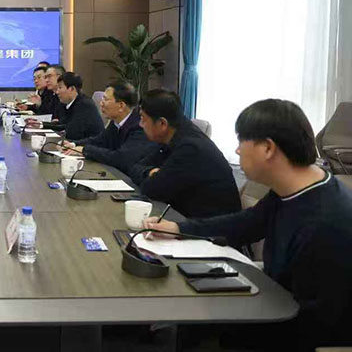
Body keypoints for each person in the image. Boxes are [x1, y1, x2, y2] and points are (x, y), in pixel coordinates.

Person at [145, 99, 352, 351]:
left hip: (296, 331)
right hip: (276, 305)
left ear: (268, 148)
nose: (237, 150)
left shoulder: (324, 223)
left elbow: (314, 325)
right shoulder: (294, 189)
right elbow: (246, 223)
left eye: (242, 141)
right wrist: (178, 230)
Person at [128, 89, 240, 218]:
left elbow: (152, 189)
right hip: (188, 215)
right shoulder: (173, 134)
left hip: (211, 225)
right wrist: (151, 172)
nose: (141, 124)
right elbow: (135, 167)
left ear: (162, 123)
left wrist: (152, 176)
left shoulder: (190, 148)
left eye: (143, 119)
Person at [62, 80, 155, 169]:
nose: (101, 104)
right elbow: (100, 140)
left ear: (121, 106)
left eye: (105, 99)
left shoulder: (140, 126)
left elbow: (121, 158)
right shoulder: (115, 122)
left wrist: (84, 150)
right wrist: (74, 145)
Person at [27, 72, 103, 141]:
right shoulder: (68, 103)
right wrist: (41, 124)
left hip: (87, 146)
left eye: (60, 88)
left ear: (72, 89)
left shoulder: (84, 105)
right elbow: (64, 125)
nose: (57, 92)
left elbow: (72, 133)